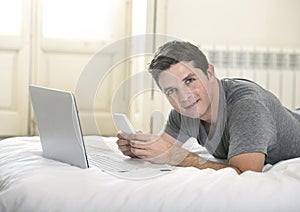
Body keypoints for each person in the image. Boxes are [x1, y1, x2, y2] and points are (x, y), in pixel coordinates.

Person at [117, 40, 300, 174]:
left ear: (209, 73)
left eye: (189, 80)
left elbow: (246, 173)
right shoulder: (183, 113)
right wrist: (141, 149)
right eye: (172, 90)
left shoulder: (247, 107)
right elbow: (164, 148)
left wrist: (174, 156)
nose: (185, 96)